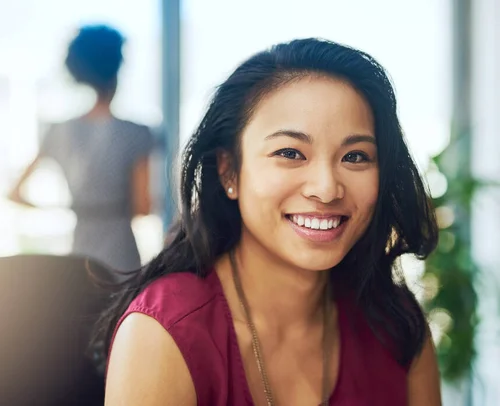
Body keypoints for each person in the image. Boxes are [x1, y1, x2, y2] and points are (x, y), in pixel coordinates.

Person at [97, 38, 442, 405]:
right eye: (290, 153)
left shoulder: (395, 323)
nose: (326, 189)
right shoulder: (165, 333)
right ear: (229, 170)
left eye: (355, 156)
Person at [9, 25, 154, 272]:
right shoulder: (137, 134)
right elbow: (143, 207)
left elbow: (15, 194)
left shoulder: (57, 131)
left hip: (80, 254)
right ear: (117, 72)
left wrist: (70, 209)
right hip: (121, 255)